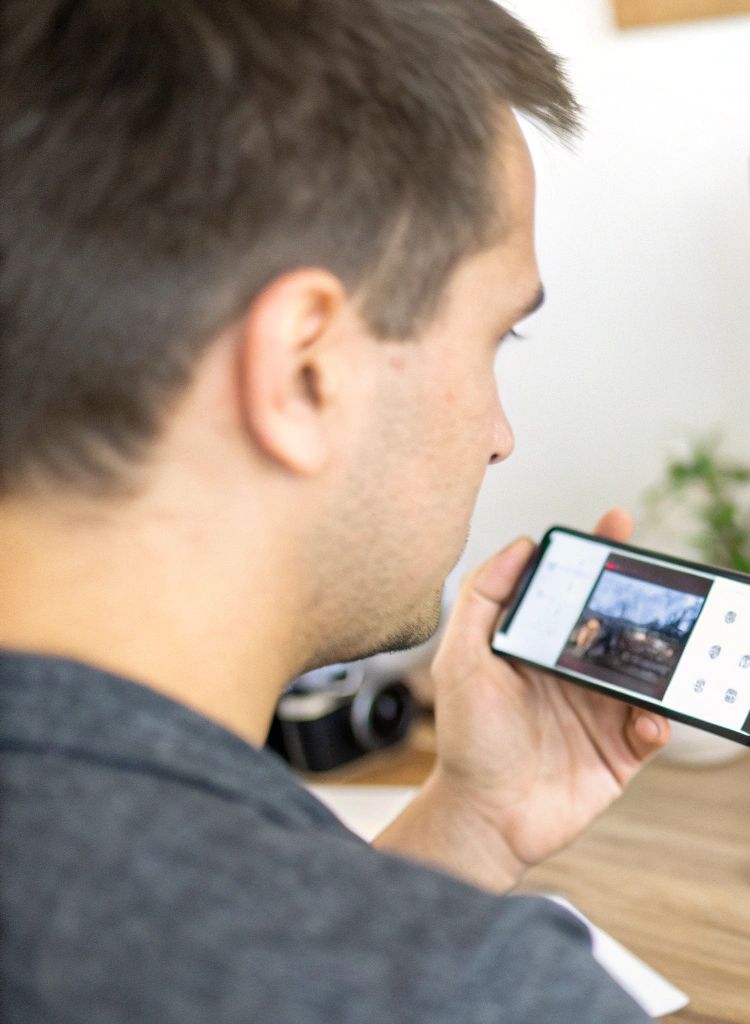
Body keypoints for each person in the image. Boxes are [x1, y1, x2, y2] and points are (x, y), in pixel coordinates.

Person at [0, 2, 674, 1021]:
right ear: (304, 372)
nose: (500, 435)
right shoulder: (479, 993)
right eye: (498, 338)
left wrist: (467, 828)